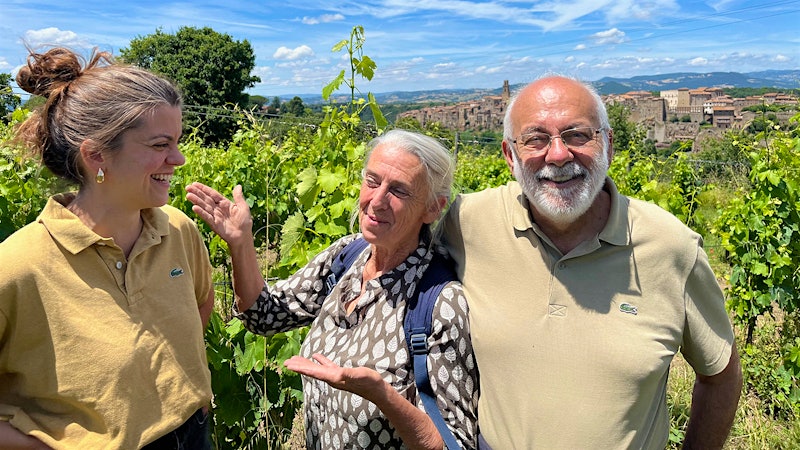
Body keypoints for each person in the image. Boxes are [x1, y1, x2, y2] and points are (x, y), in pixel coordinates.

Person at [443, 75, 742, 449]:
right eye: (535, 139)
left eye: (577, 135)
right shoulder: (466, 223)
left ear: (609, 145)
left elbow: (720, 376)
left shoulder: (672, 248)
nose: (558, 154)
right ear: (509, 156)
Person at [186, 129, 479, 449]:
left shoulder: (440, 303)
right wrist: (241, 243)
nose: (377, 200)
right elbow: (265, 315)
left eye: (399, 190)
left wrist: (383, 397)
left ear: (433, 208)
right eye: (372, 180)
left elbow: (455, 444)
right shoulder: (348, 255)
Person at [0, 47, 214, 449]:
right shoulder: (16, 267)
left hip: (194, 435)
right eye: (159, 145)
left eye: (178, 141)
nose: (179, 158)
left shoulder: (178, 230)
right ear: (96, 155)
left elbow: (201, 305)